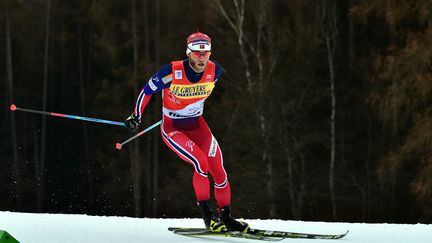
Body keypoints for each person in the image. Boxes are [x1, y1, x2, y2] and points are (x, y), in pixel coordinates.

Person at [124, 31, 249, 233]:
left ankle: (226, 217)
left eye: (205, 52)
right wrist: (136, 116)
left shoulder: (215, 71)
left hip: (198, 126)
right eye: (197, 52)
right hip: (173, 129)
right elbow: (147, 91)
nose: (202, 57)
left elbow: (197, 94)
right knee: (201, 162)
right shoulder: (171, 72)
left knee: (219, 171)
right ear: (188, 52)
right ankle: (209, 218)